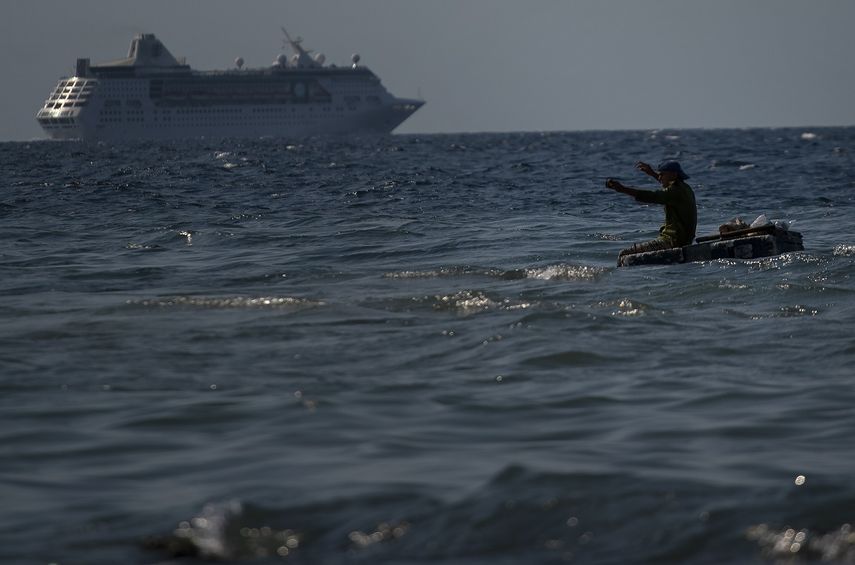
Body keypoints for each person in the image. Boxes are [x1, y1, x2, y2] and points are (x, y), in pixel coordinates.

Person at [605, 161, 697, 262]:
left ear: (674, 175)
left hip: (671, 241)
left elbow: (653, 196)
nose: (660, 177)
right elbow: (666, 184)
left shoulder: (674, 192)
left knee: (624, 254)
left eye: (662, 174)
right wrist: (652, 173)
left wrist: (622, 189)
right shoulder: (685, 188)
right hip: (683, 240)